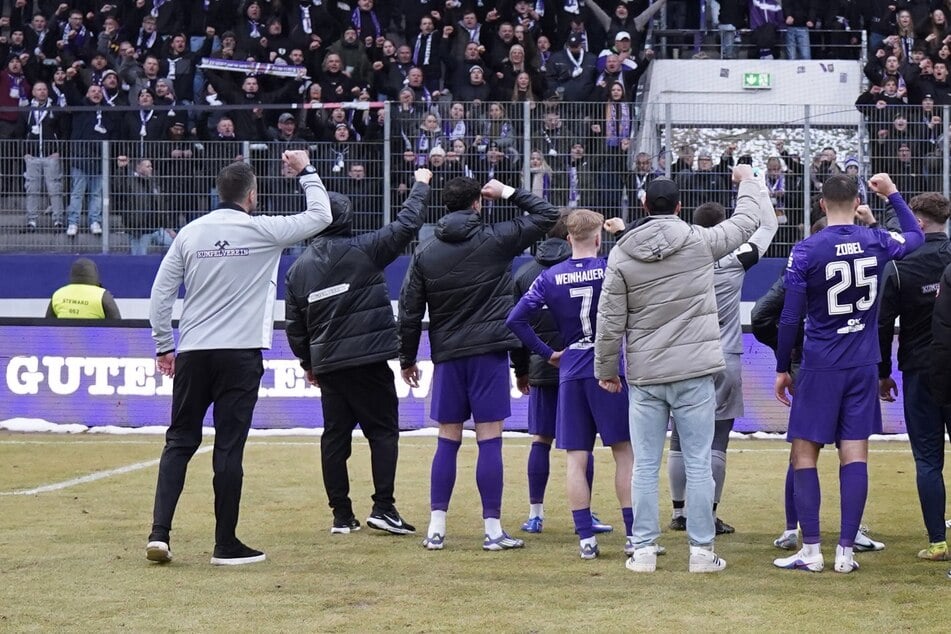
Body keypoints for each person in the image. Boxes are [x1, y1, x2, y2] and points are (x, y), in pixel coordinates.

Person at [145, 151, 333, 566]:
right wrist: (306, 170)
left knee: (179, 442)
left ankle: (159, 534)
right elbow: (322, 215)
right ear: (251, 195)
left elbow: (161, 294)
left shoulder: (190, 233)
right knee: (228, 448)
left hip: (193, 352)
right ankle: (224, 543)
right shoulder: (261, 230)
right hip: (240, 354)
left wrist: (163, 345)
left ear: (218, 191)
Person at [594, 166, 773, 574]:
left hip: (645, 374)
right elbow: (748, 221)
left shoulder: (622, 251)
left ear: (643, 205)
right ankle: (701, 551)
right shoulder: (700, 242)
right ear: (679, 206)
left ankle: (642, 551)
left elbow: (610, 318)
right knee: (698, 461)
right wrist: (746, 179)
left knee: (644, 465)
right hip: (694, 373)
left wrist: (606, 367)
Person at [398, 176, 560, 552]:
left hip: (449, 357)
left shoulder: (425, 250)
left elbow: (409, 310)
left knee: (447, 440)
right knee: (490, 441)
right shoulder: (496, 239)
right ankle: (492, 530)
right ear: (477, 203)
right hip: (488, 355)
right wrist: (505, 191)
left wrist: (407, 357)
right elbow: (548, 215)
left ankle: (436, 528)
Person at [772, 173, 923, 574]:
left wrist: (782, 366)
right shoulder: (876, 240)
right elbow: (916, 237)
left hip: (821, 364)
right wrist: (891, 195)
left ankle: (811, 549)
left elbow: (790, 315)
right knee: (854, 454)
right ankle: (845, 552)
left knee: (804, 452)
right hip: (862, 363)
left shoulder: (806, 249)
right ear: (857, 201)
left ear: (821, 204)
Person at [284, 168, 433, 536]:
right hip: (368, 362)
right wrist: (422, 183)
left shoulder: (297, 269)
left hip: (330, 367)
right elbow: (407, 223)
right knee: (382, 432)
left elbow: (295, 326)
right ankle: (383, 507)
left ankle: (341, 515)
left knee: (335, 438)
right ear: (347, 219)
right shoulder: (366, 248)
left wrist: (308, 362)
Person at [506, 209, 634, 560]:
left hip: (571, 367)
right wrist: (620, 233)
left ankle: (585, 540)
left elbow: (516, 320)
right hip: (608, 365)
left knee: (577, 457)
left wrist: (548, 354)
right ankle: (633, 536)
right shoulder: (611, 267)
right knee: (624, 454)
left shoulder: (549, 277)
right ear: (598, 238)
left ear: (567, 240)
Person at [667, 191, 778, 536]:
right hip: (724, 356)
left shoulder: (677, 258)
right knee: (717, 441)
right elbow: (769, 226)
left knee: (679, 440)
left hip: (683, 356)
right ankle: (709, 514)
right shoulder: (735, 257)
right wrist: (756, 188)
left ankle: (679, 511)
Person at [878, 192, 951, 561]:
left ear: (918, 222)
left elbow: (882, 323)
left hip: (920, 370)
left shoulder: (900, 264)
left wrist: (882, 372)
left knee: (927, 458)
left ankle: (937, 541)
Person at [46, 258, 121, 319]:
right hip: (94, 337)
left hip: (64, 336)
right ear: (94, 273)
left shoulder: (58, 294)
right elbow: (117, 325)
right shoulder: (102, 295)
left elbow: (47, 325)